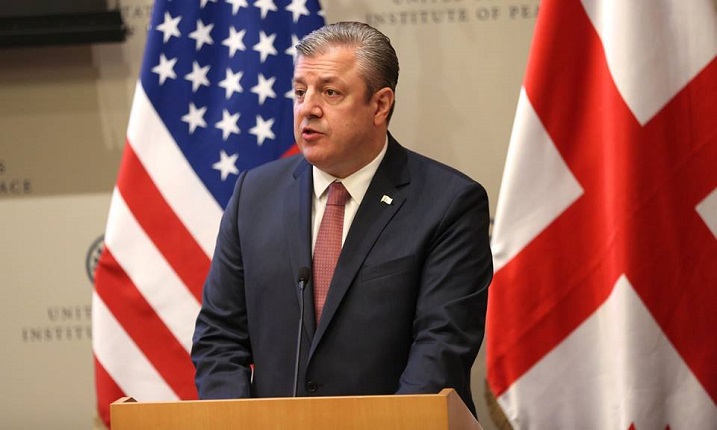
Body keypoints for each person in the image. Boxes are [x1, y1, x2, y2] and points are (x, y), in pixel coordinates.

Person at [191, 21, 493, 417]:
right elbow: (219, 337)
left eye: (330, 92)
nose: (308, 108)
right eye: (300, 92)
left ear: (380, 105)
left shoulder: (448, 204)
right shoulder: (254, 194)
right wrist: (238, 424)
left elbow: (440, 348)